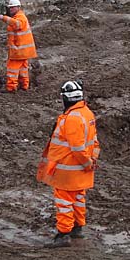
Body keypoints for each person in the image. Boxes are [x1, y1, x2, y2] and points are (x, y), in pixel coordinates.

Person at [37, 81, 100, 248]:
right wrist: (92, 161)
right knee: (78, 198)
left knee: (64, 202)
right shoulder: (86, 113)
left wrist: (87, 163)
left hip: (68, 169)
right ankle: (77, 227)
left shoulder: (72, 118)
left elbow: (77, 148)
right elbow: (93, 141)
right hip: (80, 169)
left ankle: (63, 234)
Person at [0, 0, 37, 92]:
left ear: (18, 7)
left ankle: (11, 87)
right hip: (23, 51)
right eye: (10, 8)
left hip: (19, 51)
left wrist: (4, 18)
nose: (11, 9)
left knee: (12, 69)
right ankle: (24, 85)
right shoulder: (18, 16)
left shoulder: (20, 18)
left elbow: (17, 25)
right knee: (23, 69)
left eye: (13, 7)